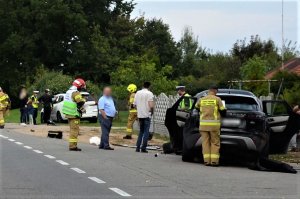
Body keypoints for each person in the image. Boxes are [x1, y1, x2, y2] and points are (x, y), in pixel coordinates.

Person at [195, 85, 226, 166]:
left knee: (205, 143)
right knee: (215, 143)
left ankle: (206, 161)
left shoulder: (201, 99)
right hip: (214, 126)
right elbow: (223, 111)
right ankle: (214, 161)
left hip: (203, 125)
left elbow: (196, 108)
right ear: (215, 91)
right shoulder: (217, 99)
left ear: (209, 90)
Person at [62, 79, 86, 151]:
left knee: (73, 130)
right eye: (81, 87)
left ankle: (72, 145)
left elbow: (73, 102)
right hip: (74, 114)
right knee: (74, 130)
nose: (81, 88)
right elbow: (79, 102)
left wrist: (81, 109)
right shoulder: (76, 92)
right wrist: (84, 100)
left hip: (69, 114)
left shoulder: (68, 92)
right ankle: (73, 146)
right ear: (79, 86)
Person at [134, 82, 154, 153]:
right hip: (146, 115)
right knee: (146, 132)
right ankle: (143, 148)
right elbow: (151, 105)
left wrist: (139, 110)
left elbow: (135, 105)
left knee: (141, 131)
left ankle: (137, 147)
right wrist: (152, 111)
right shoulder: (149, 93)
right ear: (149, 86)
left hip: (140, 115)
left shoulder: (137, 93)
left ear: (143, 86)